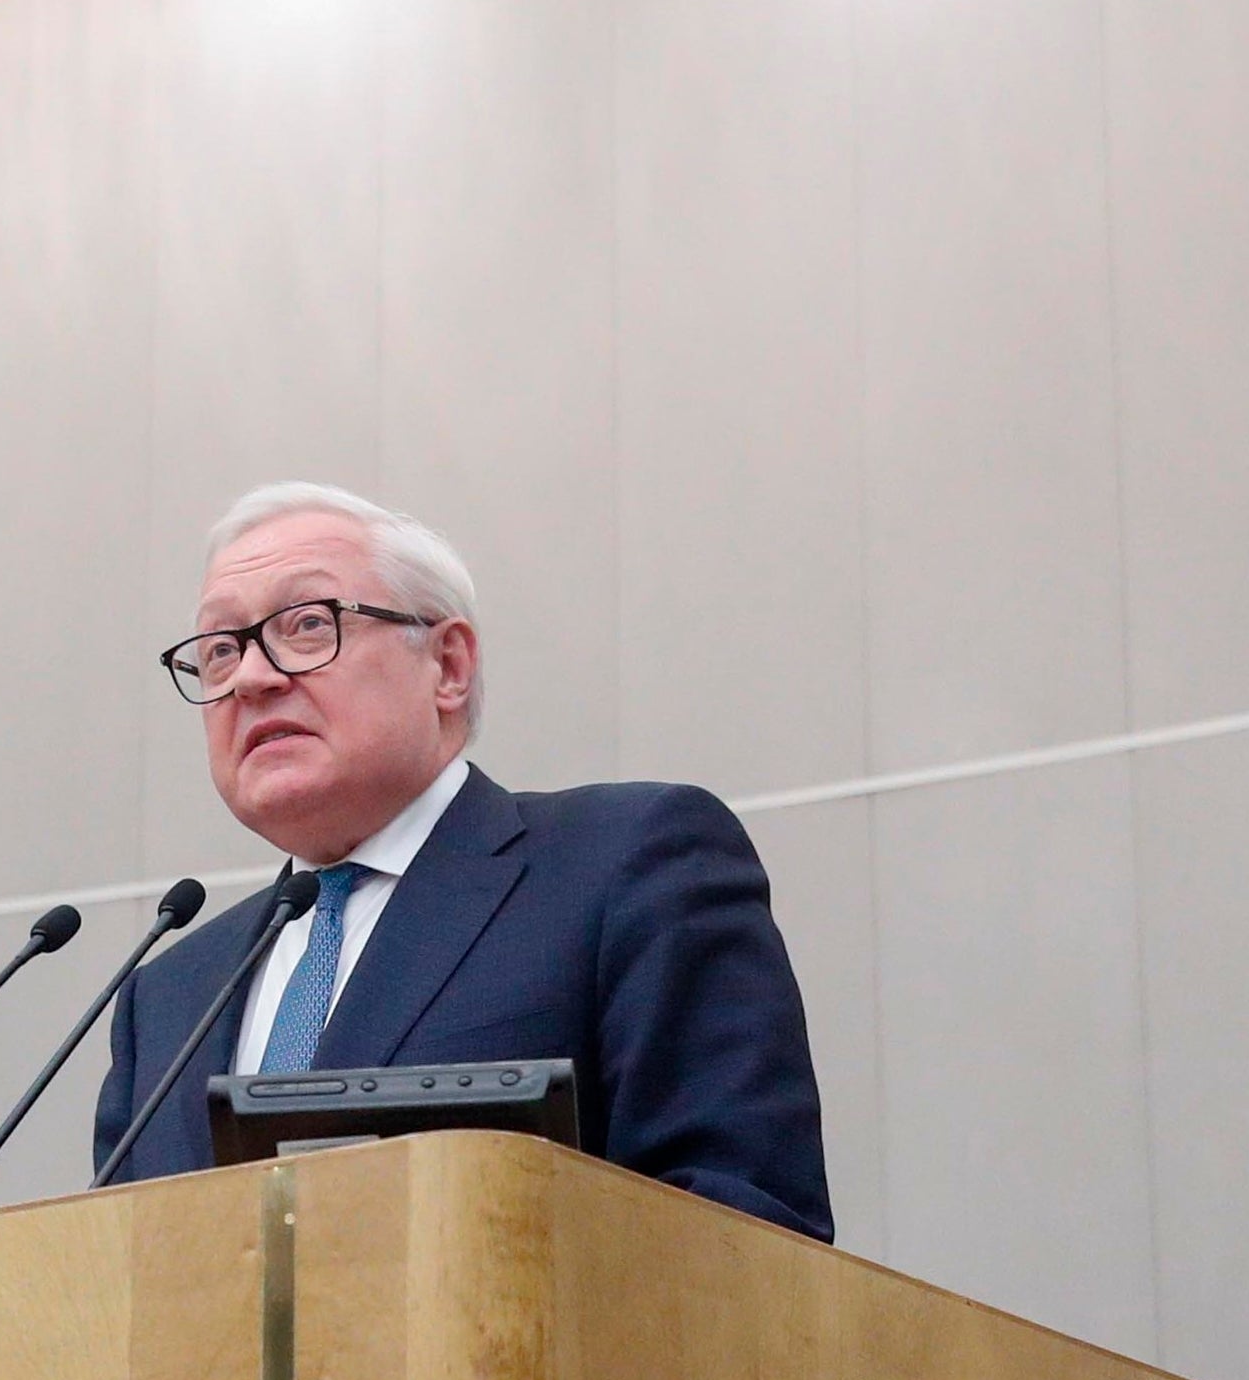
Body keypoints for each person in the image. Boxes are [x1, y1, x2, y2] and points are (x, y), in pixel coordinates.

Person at [94, 483, 831, 1237]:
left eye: (308, 625)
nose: (250, 678)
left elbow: (742, 1228)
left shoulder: (626, 862)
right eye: (219, 650)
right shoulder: (169, 999)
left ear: (447, 664)